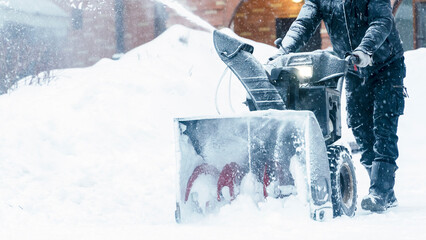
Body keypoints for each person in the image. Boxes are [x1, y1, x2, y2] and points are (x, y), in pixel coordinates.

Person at [269, 0, 407, 212]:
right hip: (353, 67)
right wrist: (284, 50)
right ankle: (383, 187)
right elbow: (303, 23)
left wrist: (365, 49)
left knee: (384, 126)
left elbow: (382, 20)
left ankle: (380, 192)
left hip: (386, 64)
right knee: (360, 127)